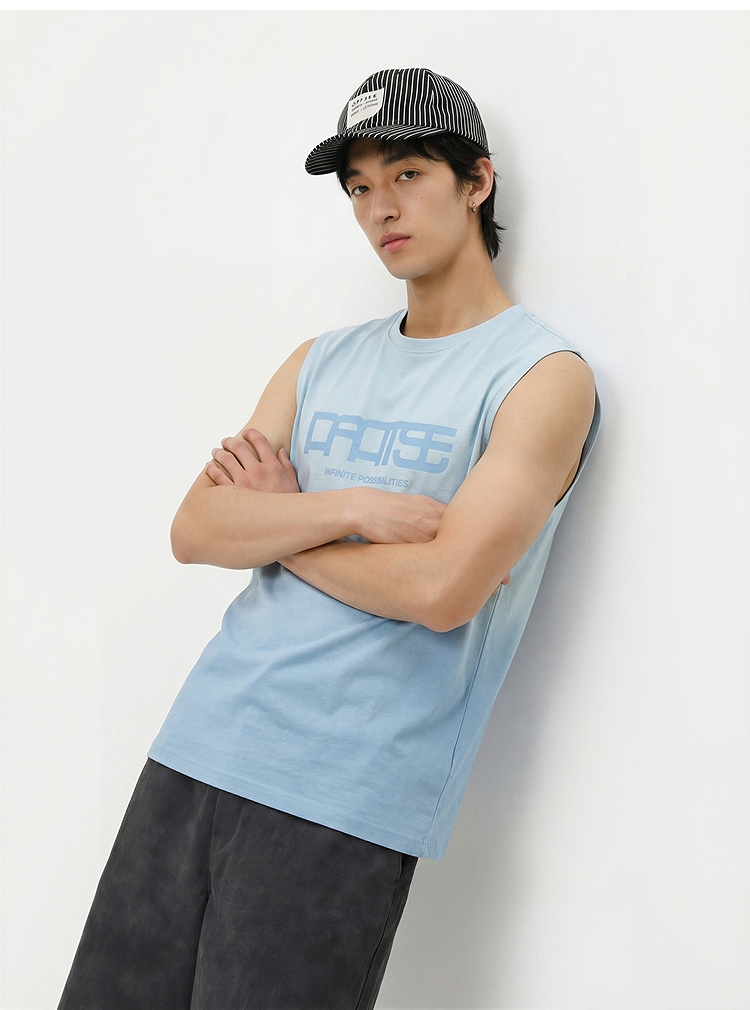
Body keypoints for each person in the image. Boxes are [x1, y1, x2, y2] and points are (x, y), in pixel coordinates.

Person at [58, 67, 600, 1010]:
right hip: (199, 741)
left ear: (477, 180)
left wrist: (281, 525)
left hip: (346, 787)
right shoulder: (320, 359)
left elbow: (443, 591)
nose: (379, 207)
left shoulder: (540, 376)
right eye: (358, 187)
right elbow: (196, 528)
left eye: (407, 175)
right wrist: (349, 508)